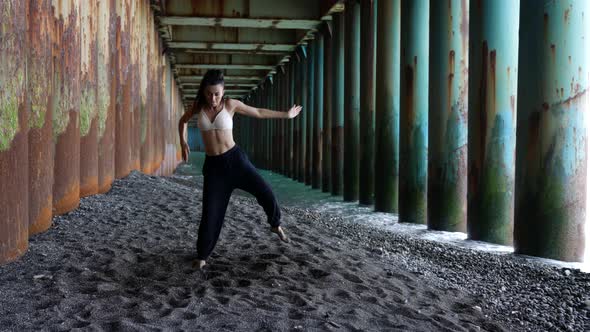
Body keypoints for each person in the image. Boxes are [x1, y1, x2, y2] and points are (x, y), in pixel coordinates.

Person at [178, 69, 302, 269]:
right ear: (203, 92)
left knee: (265, 191)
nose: (213, 98)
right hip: (213, 168)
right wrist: (183, 142)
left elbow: (259, 112)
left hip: (236, 161)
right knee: (210, 213)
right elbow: (182, 121)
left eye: (217, 93)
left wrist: (286, 115)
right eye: (209, 93)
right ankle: (202, 255)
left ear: (223, 91)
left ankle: (275, 223)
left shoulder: (230, 105)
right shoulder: (197, 107)